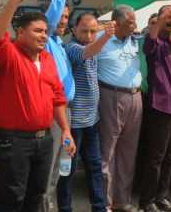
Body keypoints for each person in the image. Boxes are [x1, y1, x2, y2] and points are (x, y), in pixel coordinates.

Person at [0, 0, 75, 211]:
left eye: (46, 31)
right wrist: (14, 0)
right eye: (37, 31)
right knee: (11, 198)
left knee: (36, 196)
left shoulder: (46, 60)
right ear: (20, 33)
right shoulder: (8, 56)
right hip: (13, 142)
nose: (44, 36)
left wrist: (65, 130)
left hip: (44, 140)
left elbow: (57, 98)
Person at [56, 13, 116, 211]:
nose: (90, 35)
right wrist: (105, 36)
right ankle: (65, 208)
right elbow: (88, 51)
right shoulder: (71, 48)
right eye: (84, 30)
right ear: (73, 30)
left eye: (93, 31)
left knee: (94, 166)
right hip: (73, 124)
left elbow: (93, 39)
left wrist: (102, 29)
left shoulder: (92, 42)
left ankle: (98, 207)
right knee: (67, 170)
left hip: (91, 121)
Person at [97, 1, 142, 212]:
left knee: (128, 152)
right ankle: (105, 203)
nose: (134, 26)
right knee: (108, 152)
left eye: (134, 22)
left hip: (135, 98)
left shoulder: (134, 40)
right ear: (117, 23)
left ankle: (121, 201)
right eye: (130, 22)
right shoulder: (101, 40)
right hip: (111, 96)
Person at [139, 3, 171, 212]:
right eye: (169, 17)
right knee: (155, 158)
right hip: (159, 107)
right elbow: (148, 44)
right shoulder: (153, 43)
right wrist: (160, 17)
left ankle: (162, 197)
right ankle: (147, 201)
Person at [43, 0, 76, 212]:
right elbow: (51, 20)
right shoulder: (46, 40)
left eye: (67, 16)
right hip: (54, 113)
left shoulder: (60, 45)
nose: (63, 21)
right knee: (49, 168)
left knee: (60, 167)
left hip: (67, 114)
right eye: (60, 16)